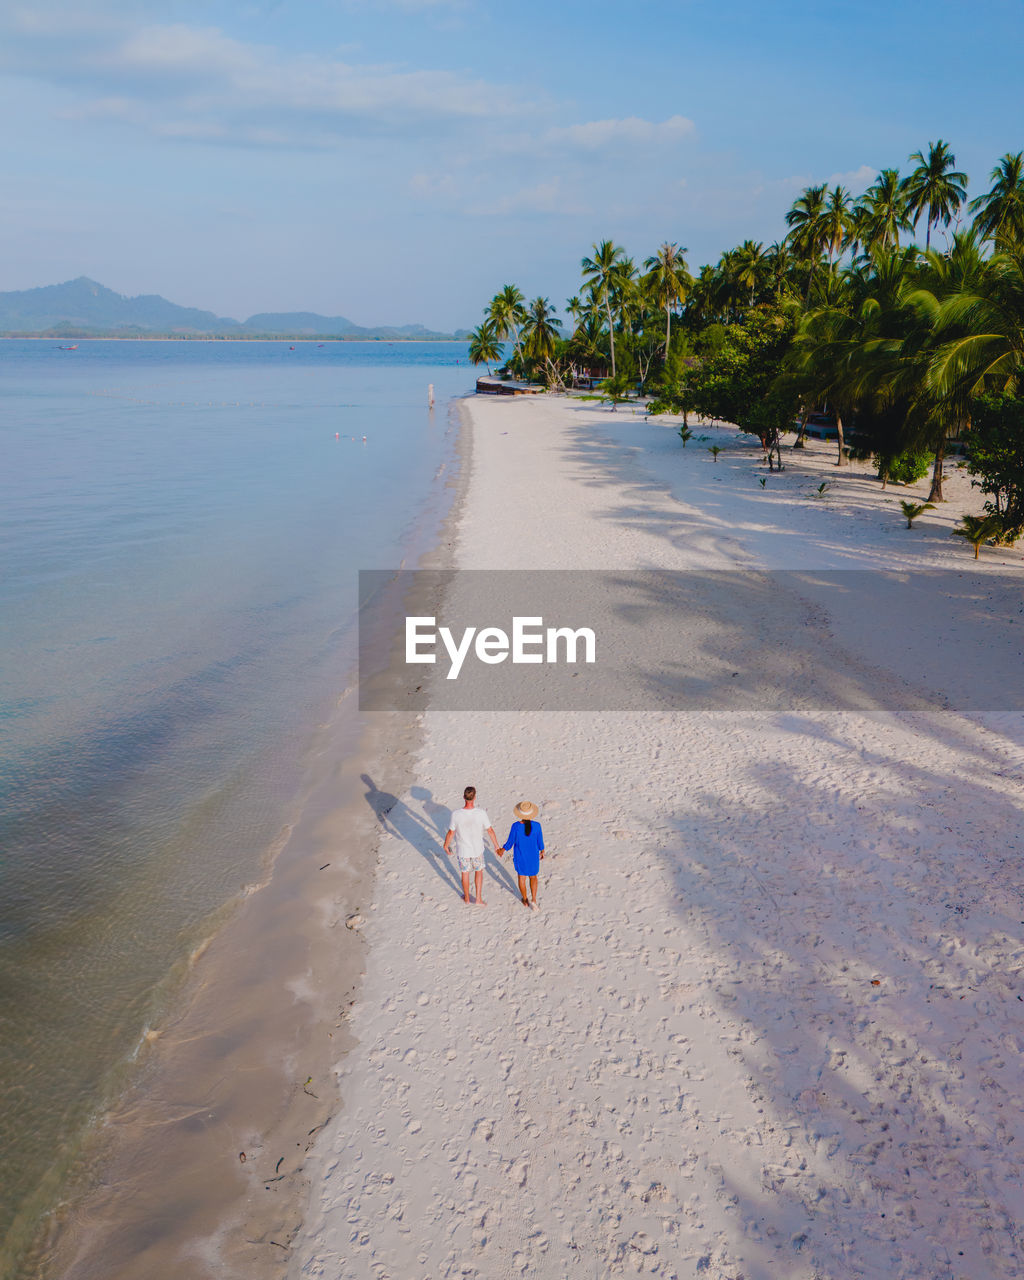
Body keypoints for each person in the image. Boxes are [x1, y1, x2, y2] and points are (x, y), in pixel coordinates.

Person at [443, 786, 500, 906]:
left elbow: (451, 832)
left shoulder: (456, 814)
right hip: (477, 850)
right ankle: (478, 899)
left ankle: (467, 898)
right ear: (474, 797)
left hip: (463, 851)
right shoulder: (481, 813)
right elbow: (490, 830)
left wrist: (446, 845)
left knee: (465, 873)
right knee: (479, 872)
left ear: (464, 797)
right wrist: (496, 846)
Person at [499, 801, 545, 910]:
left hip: (520, 856)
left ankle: (525, 899)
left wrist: (502, 849)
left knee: (522, 878)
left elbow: (510, 842)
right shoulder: (537, 826)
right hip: (533, 856)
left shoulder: (515, 826)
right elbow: (540, 842)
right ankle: (534, 900)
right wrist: (542, 851)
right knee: (533, 877)